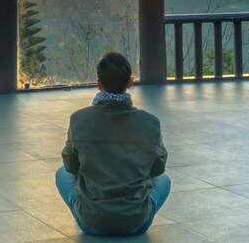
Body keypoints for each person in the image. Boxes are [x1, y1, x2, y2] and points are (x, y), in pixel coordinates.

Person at [56, 51, 171, 236]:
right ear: (130, 82)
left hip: (91, 222)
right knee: (164, 180)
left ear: (99, 84)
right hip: (136, 222)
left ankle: (89, 212)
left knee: (61, 173)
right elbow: (158, 169)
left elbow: (70, 165)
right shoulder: (150, 122)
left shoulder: (79, 119)